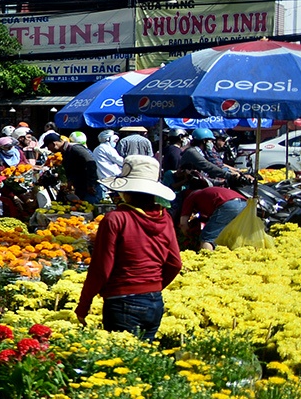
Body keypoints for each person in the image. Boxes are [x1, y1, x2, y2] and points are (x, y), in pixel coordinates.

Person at [76, 155, 182, 337]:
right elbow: (175, 264)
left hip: (122, 301)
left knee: (121, 362)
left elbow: (102, 268)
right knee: (144, 362)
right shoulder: (165, 217)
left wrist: (84, 304)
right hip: (155, 301)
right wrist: (150, 286)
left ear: (126, 191)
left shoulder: (116, 218)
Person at [175, 176, 248, 252]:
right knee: (232, 237)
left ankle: (206, 259)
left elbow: (183, 224)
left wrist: (188, 236)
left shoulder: (191, 196)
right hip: (245, 204)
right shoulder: (207, 194)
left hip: (228, 205)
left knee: (207, 238)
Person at [61, 132, 100, 203]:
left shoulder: (78, 150)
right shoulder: (77, 151)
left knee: (90, 205)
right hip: (82, 186)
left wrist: (90, 184)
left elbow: (91, 165)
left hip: (89, 187)